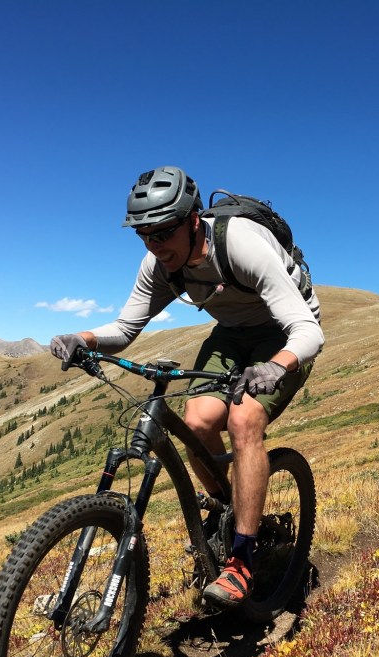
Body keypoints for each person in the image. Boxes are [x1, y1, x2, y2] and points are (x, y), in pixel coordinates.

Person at [50, 166, 324, 609]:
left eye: (162, 232)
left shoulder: (241, 243)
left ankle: (241, 561)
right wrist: (81, 339)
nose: (154, 244)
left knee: (244, 418)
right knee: (197, 422)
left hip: (284, 334)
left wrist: (277, 365)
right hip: (232, 334)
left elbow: (308, 331)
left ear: (193, 220)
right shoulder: (159, 265)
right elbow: (124, 327)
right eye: (144, 234)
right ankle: (230, 509)